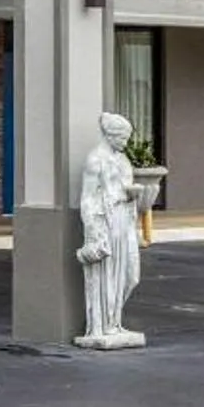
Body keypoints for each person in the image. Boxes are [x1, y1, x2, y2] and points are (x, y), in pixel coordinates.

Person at [75, 110, 146, 349]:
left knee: (130, 275)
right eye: (122, 138)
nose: (125, 143)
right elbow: (87, 198)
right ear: (110, 135)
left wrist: (132, 195)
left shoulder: (122, 160)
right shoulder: (96, 160)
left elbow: (124, 188)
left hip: (125, 219)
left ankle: (115, 322)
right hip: (106, 221)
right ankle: (104, 326)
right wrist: (94, 233)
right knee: (107, 276)